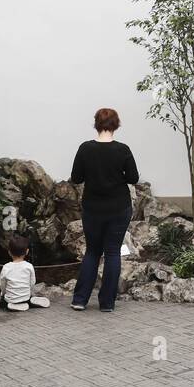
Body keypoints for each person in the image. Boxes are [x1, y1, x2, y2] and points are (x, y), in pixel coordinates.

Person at [69, 107, 139, 312]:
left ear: (96, 124)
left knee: (92, 252)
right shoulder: (123, 149)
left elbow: (76, 178)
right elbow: (133, 178)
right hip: (119, 207)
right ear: (116, 125)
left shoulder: (85, 148)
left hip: (92, 208)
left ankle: (80, 300)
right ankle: (107, 303)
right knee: (112, 252)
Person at [0, 235, 51, 312]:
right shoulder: (29, 266)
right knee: (26, 296)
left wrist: (3, 293)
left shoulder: (6, 267)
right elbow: (32, 282)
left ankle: (12, 305)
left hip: (11, 298)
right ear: (27, 251)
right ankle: (29, 302)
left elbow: (2, 284)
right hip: (25, 297)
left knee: (2, 303)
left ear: (9, 252)